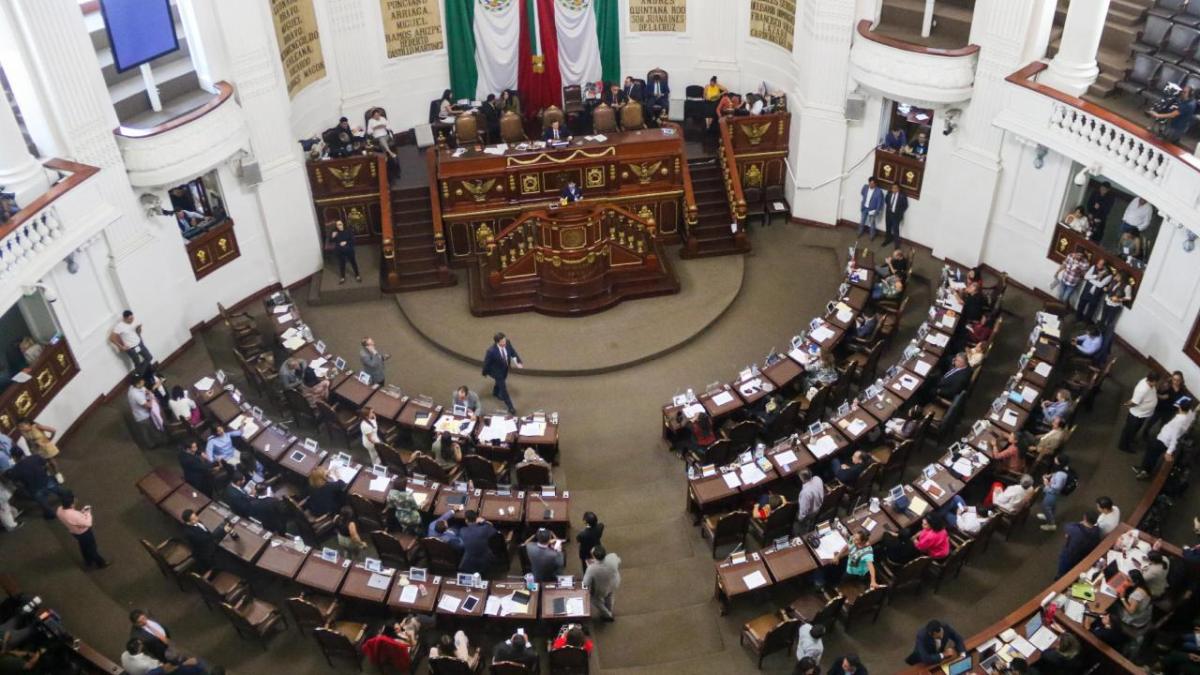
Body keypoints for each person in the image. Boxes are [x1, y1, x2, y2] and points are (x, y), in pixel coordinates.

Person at [1135, 398, 1196, 479]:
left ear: (1180, 407)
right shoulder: (1189, 417)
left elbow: (1175, 436)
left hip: (1163, 440)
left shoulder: (1179, 421)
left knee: (1151, 456)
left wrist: (1169, 452)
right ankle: (1144, 469)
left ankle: (1145, 471)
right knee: (1151, 454)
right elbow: (1192, 413)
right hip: (1163, 438)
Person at [56, 490, 108, 569]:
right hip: (84, 533)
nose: (76, 499)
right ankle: (101, 563)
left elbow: (75, 519)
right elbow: (88, 523)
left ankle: (88, 561)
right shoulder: (73, 515)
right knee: (91, 548)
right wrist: (88, 513)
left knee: (83, 546)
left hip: (74, 532)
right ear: (72, 503)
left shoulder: (59, 510)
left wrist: (82, 513)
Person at [6, 452, 67, 518]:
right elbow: (46, 465)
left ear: (14, 457)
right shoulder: (35, 457)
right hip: (45, 480)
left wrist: (24, 488)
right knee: (57, 489)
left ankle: (50, 514)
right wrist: (46, 472)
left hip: (33, 488)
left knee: (43, 502)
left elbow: (15, 482)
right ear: (23, 453)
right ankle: (67, 497)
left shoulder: (15, 469)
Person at [1119, 371, 1159, 454]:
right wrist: (1126, 404)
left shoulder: (1149, 383)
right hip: (1136, 415)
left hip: (1142, 415)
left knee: (1134, 430)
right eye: (1156, 382)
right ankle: (1124, 446)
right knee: (1129, 431)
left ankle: (1131, 439)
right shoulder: (1142, 390)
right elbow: (1134, 402)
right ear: (1153, 381)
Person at [482, 332, 522, 414]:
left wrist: (518, 362)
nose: (505, 342)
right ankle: (511, 407)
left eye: (505, 339)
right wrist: (484, 372)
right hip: (497, 372)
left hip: (505, 369)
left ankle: (495, 392)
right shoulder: (491, 351)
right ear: (498, 342)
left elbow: (512, 352)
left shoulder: (507, 343)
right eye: (503, 341)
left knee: (500, 381)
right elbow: (486, 363)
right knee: (503, 389)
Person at [120, 638, 207, 675]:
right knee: (198, 663)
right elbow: (164, 668)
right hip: (152, 672)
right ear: (138, 649)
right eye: (140, 644)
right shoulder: (144, 664)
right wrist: (183, 663)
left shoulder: (124, 655)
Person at [1056, 510, 1101, 577]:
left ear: (1084, 518)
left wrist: (1080, 523)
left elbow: (1066, 526)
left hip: (1070, 554)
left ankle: (1059, 578)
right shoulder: (1097, 530)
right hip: (1084, 555)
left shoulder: (1076, 530)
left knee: (1063, 569)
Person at [583, 544, 621, 621]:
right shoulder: (612, 557)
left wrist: (590, 565)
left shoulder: (591, 569)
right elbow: (618, 560)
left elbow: (585, 583)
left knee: (595, 600)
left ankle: (607, 615)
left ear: (594, 557)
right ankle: (610, 609)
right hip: (613, 583)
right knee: (609, 596)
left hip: (601, 588)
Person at [1038, 454, 1072, 530]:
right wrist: (1051, 475)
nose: (1054, 461)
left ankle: (1051, 524)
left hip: (1052, 493)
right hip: (1054, 493)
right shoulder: (1064, 469)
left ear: (1060, 462)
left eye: (1056, 460)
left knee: (1046, 506)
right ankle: (1048, 515)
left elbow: (1057, 486)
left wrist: (1047, 483)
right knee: (1051, 506)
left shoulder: (1060, 474)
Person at [1118, 568, 1154, 638]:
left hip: (1135, 616)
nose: (1126, 581)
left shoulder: (1136, 595)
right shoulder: (1143, 586)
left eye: (1128, 580)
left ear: (1135, 582)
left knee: (1114, 608)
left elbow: (1131, 611)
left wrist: (1122, 598)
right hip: (1144, 611)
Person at [459, 509, 497, 574]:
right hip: (485, 558)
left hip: (469, 560)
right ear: (476, 519)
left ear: (466, 520)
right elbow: (494, 530)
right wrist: (484, 521)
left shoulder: (462, 531)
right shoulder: (485, 528)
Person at [329, 220, 361, 284]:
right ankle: (342, 277)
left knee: (353, 262)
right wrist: (332, 237)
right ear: (336, 226)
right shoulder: (335, 232)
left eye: (340, 224)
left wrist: (346, 242)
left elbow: (353, 241)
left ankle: (357, 275)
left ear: (343, 224)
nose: (339, 226)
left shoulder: (348, 231)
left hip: (349, 249)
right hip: (340, 251)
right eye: (337, 225)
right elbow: (330, 241)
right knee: (342, 264)